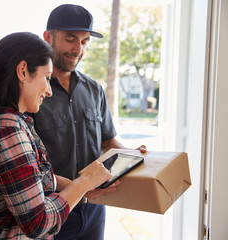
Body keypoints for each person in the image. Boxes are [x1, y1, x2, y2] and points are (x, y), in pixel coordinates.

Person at [0, 32, 112, 239]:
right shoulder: (5, 129)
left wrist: (80, 187)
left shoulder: (12, 121)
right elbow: (38, 223)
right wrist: (85, 181)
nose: (49, 91)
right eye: (46, 78)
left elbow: (25, 177)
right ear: (22, 71)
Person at [32, 4, 147, 240]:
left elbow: (107, 141)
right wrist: (80, 187)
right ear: (48, 37)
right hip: (53, 209)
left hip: (95, 209)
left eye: (84, 42)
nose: (78, 49)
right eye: (71, 39)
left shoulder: (94, 89)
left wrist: (133, 156)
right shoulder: (32, 92)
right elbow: (30, 165)